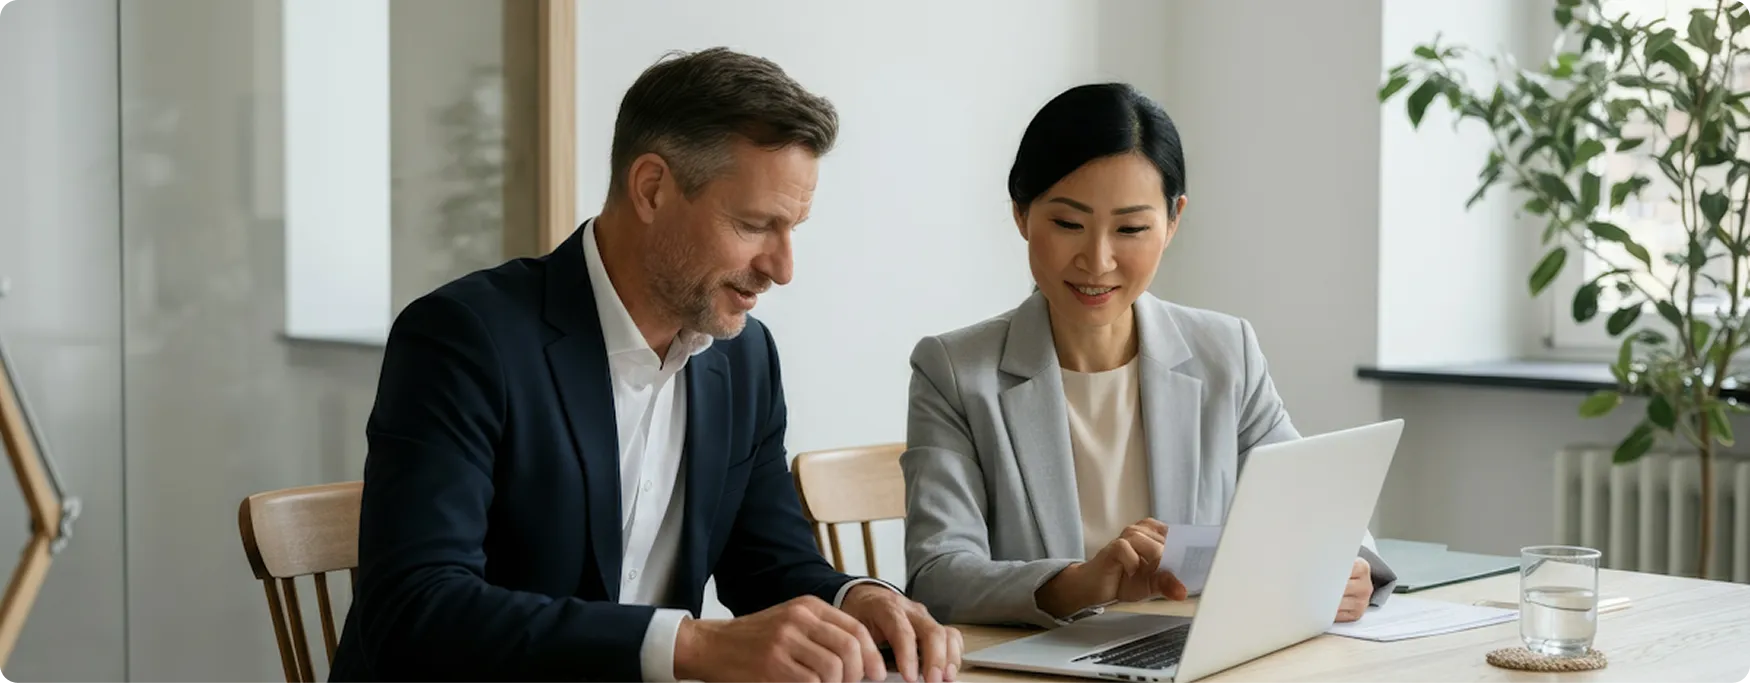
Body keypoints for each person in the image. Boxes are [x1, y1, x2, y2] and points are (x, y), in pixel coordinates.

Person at [328, 47, 962, 683]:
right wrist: (695, 646)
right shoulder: (466, 338)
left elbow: (768, 564)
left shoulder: (745, 359)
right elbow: (415, 610)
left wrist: (860, 600)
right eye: (753, 225)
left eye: (792, 228)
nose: (782, 268)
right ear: (652, 188)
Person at [899, 83, 1396, 629]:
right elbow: (938, 576)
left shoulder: (1226, 353)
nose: (1098, 260)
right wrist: (1077, 582)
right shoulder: (953, 371)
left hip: (1197, 657)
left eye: (1132, 228)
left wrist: (1350, 567)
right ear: (1021, 213)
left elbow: (1311, 508)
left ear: (1173, 220)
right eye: (1068, 224)